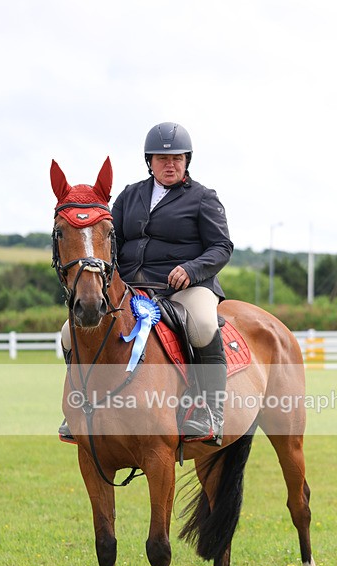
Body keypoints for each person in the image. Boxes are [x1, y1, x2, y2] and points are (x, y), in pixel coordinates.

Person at [111, 121, 233, 445]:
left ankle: (211, 412)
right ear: (149, 161)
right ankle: (80, 409)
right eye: (163, 159)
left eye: (177, 158)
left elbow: (222, 247)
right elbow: (112, 243)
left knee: (205, 325)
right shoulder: (128, 196)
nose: (171, 164)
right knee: (72, 331)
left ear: (187, 161)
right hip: (131, 289)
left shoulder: (203, 198)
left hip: (186, 288)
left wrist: (192, 270)